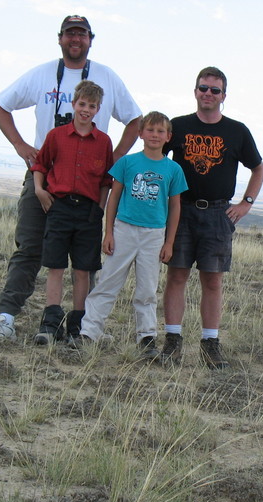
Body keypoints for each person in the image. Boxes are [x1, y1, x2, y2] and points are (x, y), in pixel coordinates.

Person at [0, 15, 142, 341]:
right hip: (44, 177)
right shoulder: (42, 74)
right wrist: (19, 144)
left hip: (86, 187)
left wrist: (114, 160)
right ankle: (5, 316)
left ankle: (85, 326)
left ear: (90, 39)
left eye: (81, 34)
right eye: (70, 34)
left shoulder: (107, 78)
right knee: (29, 247)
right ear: (59, 38)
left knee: (85, 259)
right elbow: (0, 105)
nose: (76, 39)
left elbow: (135, 120)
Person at [161, 66, 263, 369]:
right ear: (195, 91)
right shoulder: (177, 126)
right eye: (203, 88)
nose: (208, 94)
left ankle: (210, 345)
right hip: (181, 210)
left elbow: (257, 169)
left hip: (219, 213)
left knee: (213, 281)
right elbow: (156, 157)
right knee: (176, 275)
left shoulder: (237, 131)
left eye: (214, 90)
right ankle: (172, 342)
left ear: (224, 96)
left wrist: (246, 203)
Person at [76, 111, 187, 357]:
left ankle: (146, 338)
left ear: (168, 136)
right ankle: (89, 333)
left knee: (147, 289)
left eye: (160, 131)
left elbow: (175, 205)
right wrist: (109, 232)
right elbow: (114, 196)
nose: (155, 135)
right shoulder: (127, 163)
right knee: (108, 282)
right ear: (140, 134)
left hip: (154, 234)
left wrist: (169, 241)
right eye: (150, 130)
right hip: (124, 229)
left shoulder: (173, 169)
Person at [30, 80, 113, 345]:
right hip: (59, 207)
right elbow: (41, 165)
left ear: (98, 109)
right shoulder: (56, 136)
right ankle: (51, 323)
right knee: (55, 266)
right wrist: (40, 191)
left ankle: (78, 325)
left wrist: (99, 209)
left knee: (82, 269)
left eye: (92, 106)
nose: (86, 110)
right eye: (82, 104)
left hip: (88, 212)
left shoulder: (103, 142)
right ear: (74, 104)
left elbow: (104, 182)